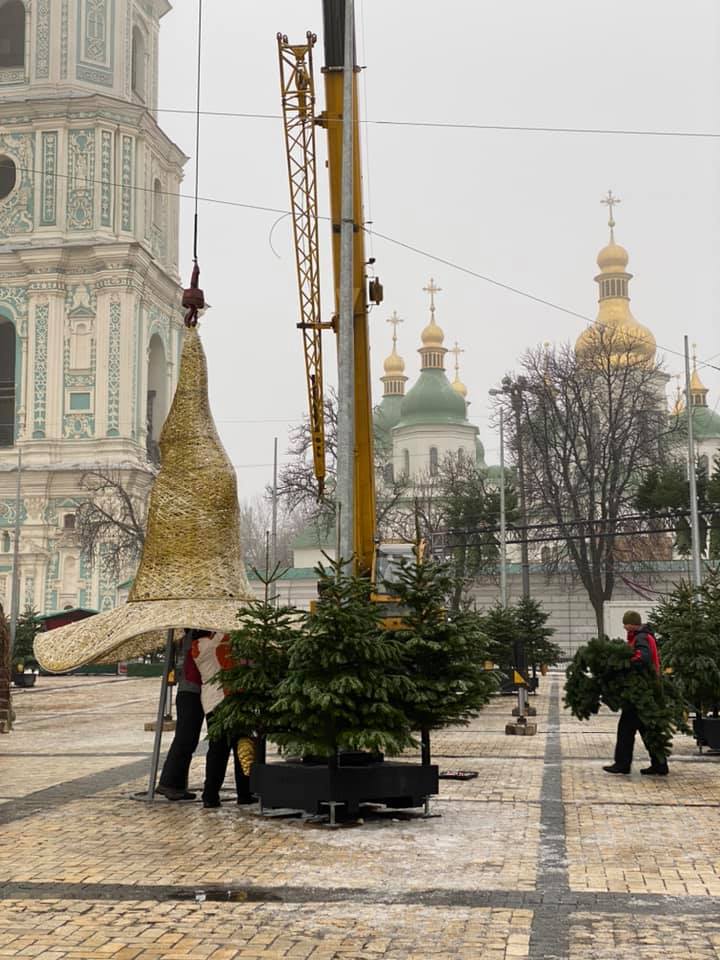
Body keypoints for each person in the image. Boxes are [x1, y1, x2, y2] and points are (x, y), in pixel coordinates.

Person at [191, 631, 255, 808]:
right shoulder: (205, 645)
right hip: (222, 701)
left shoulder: (202, 645)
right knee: (227, 748)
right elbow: (222, 646)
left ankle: (217, 795)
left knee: (231, 748)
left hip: (216, 702)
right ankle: (231, 794)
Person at [603, 610, 669, 777]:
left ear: (633, 624)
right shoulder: (643, 636)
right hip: (647, 690)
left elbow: (642, 658)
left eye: (626, 624)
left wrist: (623, 663)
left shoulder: (640, 638)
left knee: (626, 728)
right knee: (646, 728)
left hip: (642, 690)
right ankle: (659, 764)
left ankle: (622, 764)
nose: (624, 627)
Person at [156, 629, 207, 801]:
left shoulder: (188, 637)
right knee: (185, 739)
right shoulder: (192, 640)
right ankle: (168, 783)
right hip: (191, 692)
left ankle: (177, 785)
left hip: (190, 691)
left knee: (187, 739)